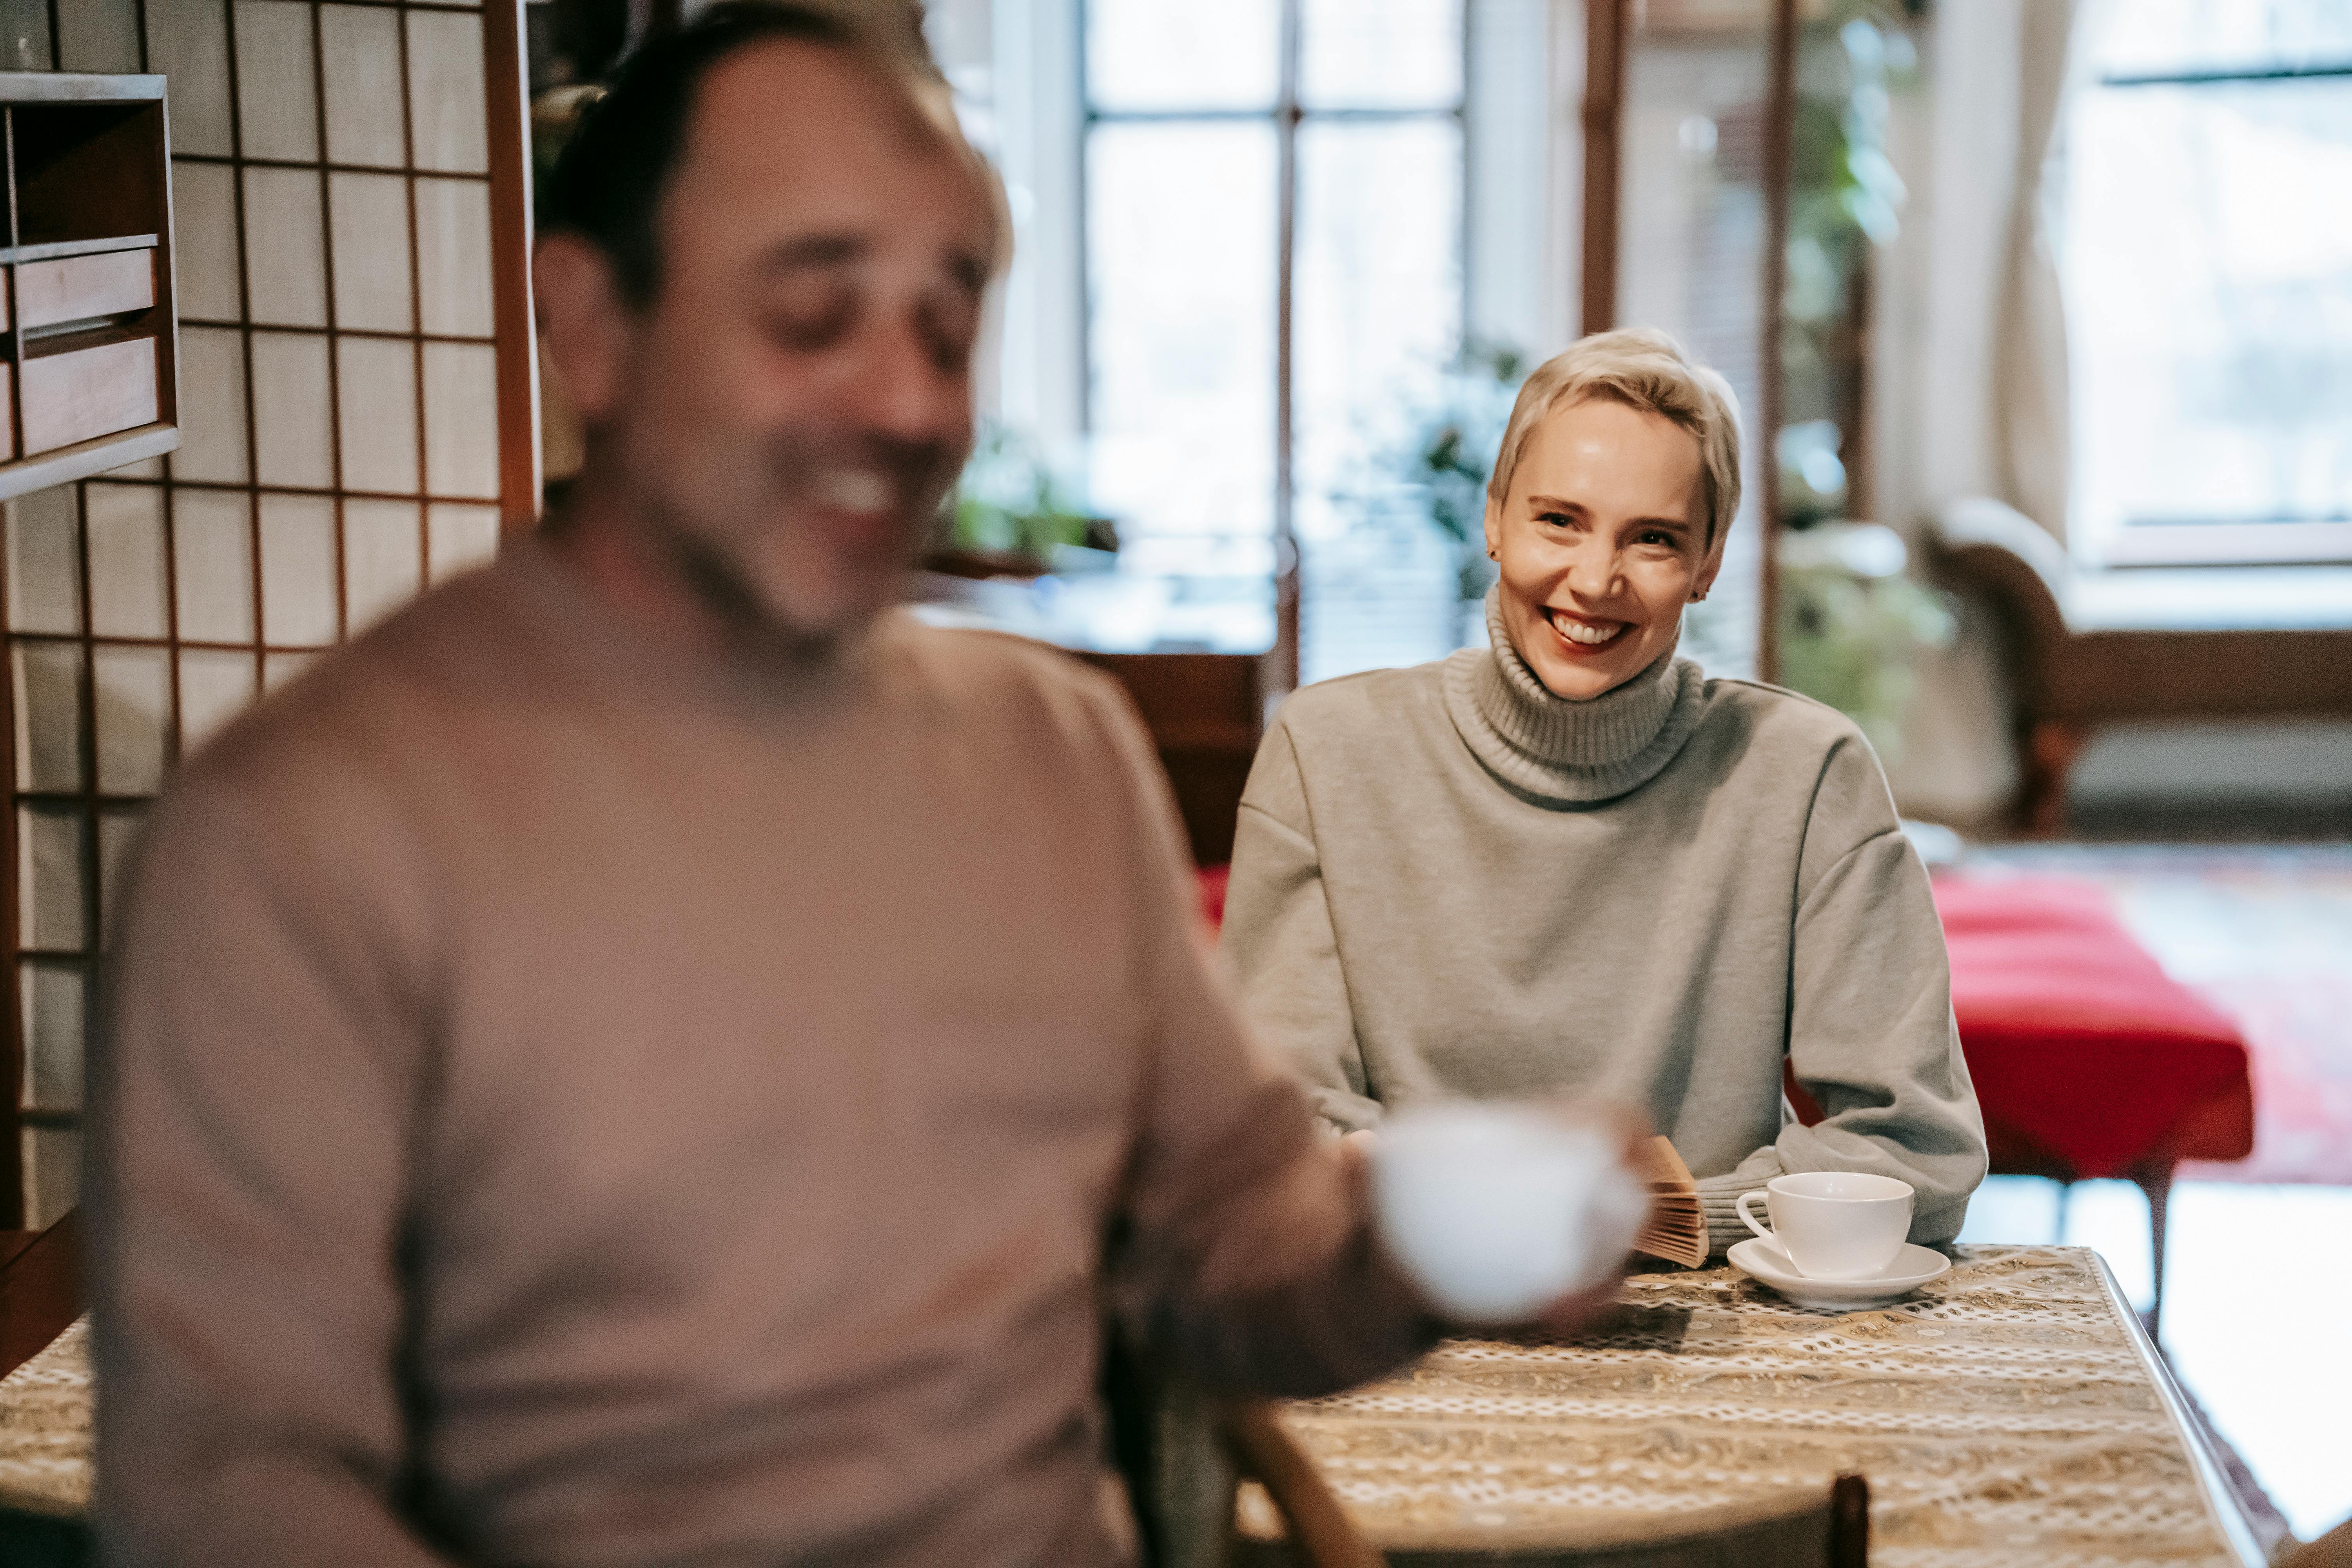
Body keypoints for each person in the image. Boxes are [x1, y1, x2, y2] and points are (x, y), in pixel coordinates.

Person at [87, 9, 1632, 1566]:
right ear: (591, 324)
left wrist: (1421, 1231)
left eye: (948, 329)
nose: (909, 406)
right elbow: (234, 1487)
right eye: (817, 316)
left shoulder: (1046, 747)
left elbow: (1229, 1244)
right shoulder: (308, 829)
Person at [1220, 328, 1987, 1259]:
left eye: (1653, 539)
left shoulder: (1806, 773)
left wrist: (1656, 1220)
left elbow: (1919, 1152)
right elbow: (1271, 1127)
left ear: (1707, 563)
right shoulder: (1324, 752)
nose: (1595, 579)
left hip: (1712, 1314)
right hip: (1398, 1293)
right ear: (1494, 519)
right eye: (1559, 521)